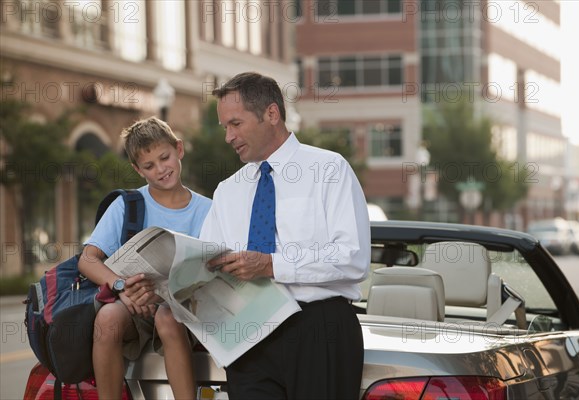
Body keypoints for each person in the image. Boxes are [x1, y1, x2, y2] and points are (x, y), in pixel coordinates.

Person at [199, 72, 371, 399]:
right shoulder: (227, 191)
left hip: (320, 329)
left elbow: (353, 257)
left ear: (271, 114)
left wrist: (271, 265)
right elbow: (208, 264)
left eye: (235, 124)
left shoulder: (329, 170)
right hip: (246, 332)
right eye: (225, 127)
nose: (228, 137)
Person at [79, 116, 212, 400]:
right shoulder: (127, 205)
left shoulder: (209, 209)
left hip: (186, 310)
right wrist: (120, 286)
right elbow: (87, 259)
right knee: (107, 318)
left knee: (167, 317)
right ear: (138, 170)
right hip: (136, 306)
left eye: (164, 158)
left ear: (179, 149)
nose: (161, 169)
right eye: (149, 166)